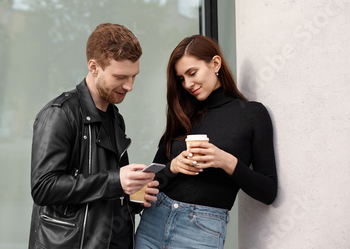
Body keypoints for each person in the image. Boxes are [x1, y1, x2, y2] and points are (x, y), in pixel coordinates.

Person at [135, 35, 278, 249]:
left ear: (215, 63)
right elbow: (144, 189)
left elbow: (268, 192)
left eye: (192, 73)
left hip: (202, 232)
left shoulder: (252, 115)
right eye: (181, 78)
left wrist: (227, 162)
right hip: (154, 223)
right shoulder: (183, 114)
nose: (187, 84)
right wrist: (173, 167)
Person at [29, 23, 160, 249]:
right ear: (94, 67)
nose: (129, 86)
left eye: (133, 76)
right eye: (121, 77)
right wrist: (115, 180)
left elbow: (109, 188)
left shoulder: (115, 117)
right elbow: (43, 187)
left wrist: (135, 193)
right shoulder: (59, 114)